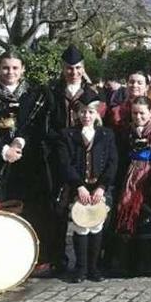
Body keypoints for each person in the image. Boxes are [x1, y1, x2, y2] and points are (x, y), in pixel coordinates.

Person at [0, 50, 56, 275]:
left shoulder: (34, 94)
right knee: (0, 210)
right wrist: (4, 149)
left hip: (29, 162)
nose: (10, 72)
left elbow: (39, 126)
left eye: (14, 68)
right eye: (5, 68)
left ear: (22, 70)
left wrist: (20, 142)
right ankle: (1, 261)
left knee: (33, 209)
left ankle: (35, 258)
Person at [43, 44, 102, 274]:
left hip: (85, 155)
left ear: (83, 68)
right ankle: (58, 257)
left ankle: (88, 263)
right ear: (63, 68)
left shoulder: (93, 93)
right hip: (59, 154)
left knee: (89, 208)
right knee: (58, 208)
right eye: (69, 68)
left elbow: (100, 126)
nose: (73, 72)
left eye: (77, 68)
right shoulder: (52, 91)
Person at [59, 95, 117, 283]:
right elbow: (65, 163)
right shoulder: (68, 134)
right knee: (81, 225)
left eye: (90, 112)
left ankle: (94, 267)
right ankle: (81, 268)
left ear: (97, 113)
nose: (86, 116)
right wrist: (79, 187)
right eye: (83, 112)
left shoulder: (106, 134)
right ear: (77, 113)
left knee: (96, 224)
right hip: (78, 187)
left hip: (98, 187)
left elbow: (112, 162)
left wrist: (102, 186)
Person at [113, 96, 151, 276]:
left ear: (150, 113)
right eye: (135, 113)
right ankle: (134, 264)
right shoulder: (124, 132)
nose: (138, 117)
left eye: (142, 113)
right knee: (134, 222)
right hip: (130, 182)